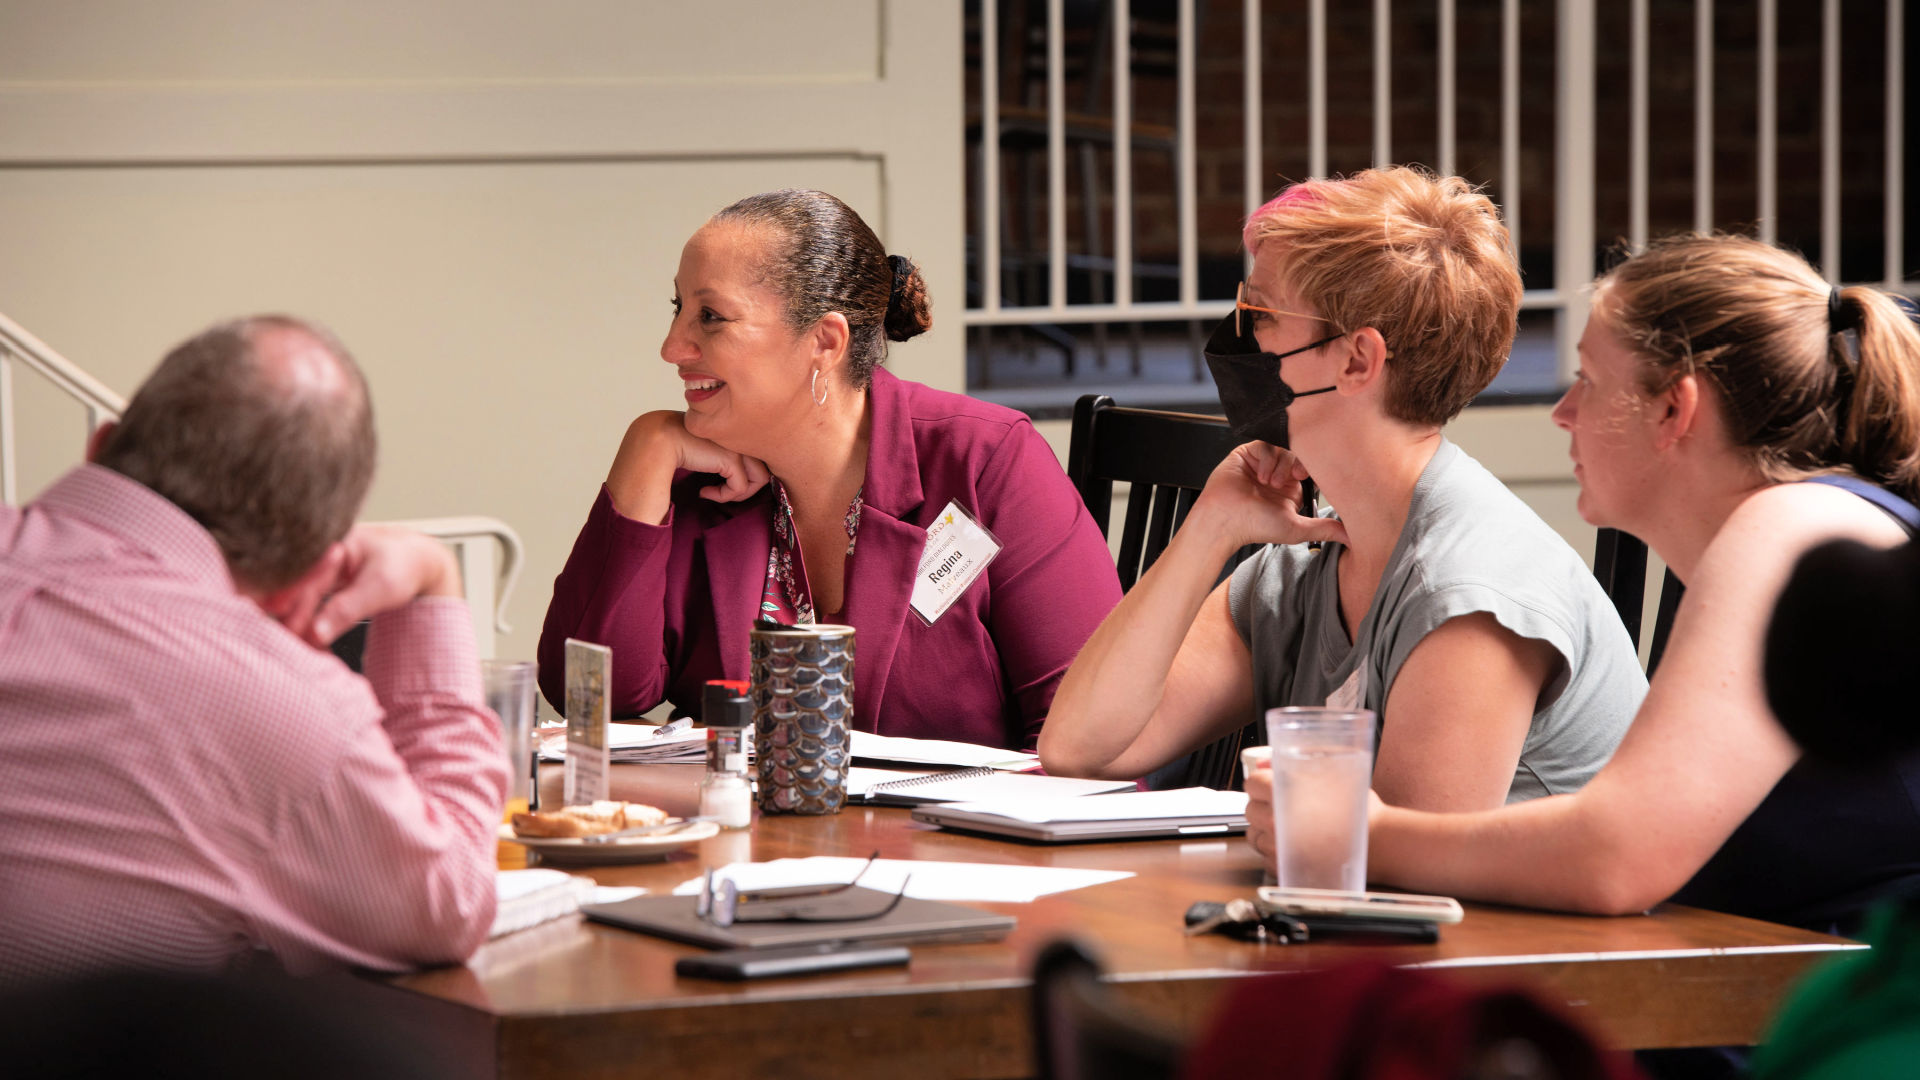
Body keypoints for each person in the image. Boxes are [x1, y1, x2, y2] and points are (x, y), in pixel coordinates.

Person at [1353, 234, 1920, 938]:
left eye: (1588, 380)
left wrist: (1361, 834)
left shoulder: (1789, 526)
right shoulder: (1796, 525)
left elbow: (1615, 855)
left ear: (1673, 410)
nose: (1562, 412)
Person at [1040, 166, 1644, 809]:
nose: (1238, 334)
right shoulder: (1310, 561)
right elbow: (1082, 750)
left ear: (1357, 361)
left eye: (1260, 311)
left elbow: (1404, 869)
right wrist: (1211, 526)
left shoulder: (1468, 589)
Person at [0, 316, 507, 984]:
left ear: (101, 445)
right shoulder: (276, 707)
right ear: (307, 572)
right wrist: (434, 582)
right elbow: (450, 907)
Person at [540, 189, 1120, 750]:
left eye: (711, 316)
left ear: (824, 340)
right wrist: (644, 449)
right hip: (756, 845)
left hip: (958, 843)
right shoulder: (698, 473)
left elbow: (1093, 740)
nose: (672, 347)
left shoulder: (986, 461)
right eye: (679, 310)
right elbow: (593, 694)